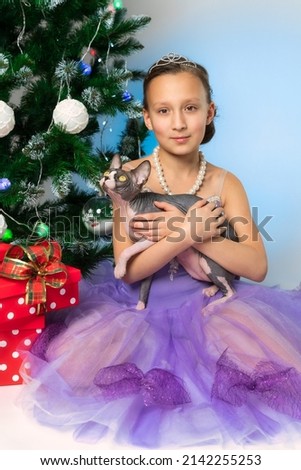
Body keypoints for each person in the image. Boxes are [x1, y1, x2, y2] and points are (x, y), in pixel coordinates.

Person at [20, 53, 301, 449]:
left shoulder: (225, 183)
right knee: (93, 373)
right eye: (164, 110)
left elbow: (255, 266)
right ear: (148, 118)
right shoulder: (127, 179)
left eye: (190, 108)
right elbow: (130, 270)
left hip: (213, 312)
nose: (180, 122)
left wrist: (203, 236)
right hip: (140, 312)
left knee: (255, 369)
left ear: (210, 111)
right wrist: (184, 231)